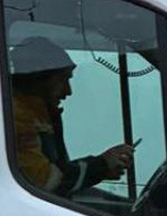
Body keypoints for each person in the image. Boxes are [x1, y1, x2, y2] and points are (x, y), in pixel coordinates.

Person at [9, 37, 133, 195]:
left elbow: (57, 173)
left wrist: (101, 171)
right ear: (38, 78)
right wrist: (101, 164)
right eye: (62, 80)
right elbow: (46, 182)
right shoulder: (16, 118)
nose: (68, 91)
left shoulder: (37, 115)